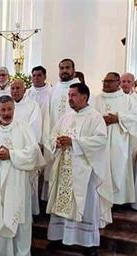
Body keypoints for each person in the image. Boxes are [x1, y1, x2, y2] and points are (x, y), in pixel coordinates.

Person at [0, 95, 45, 256]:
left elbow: (34, 153)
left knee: (20, 216)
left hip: (17, 180)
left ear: (14, 109)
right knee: (0, 214)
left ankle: (22, 254)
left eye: (9, 109)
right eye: (3, 110)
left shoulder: (23, 128)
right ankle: (3, 253)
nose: (6, 113)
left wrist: (11, 155)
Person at [46, 83, 113, 256]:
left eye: (73, 95)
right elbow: (52, 135)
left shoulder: (95, 117)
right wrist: (57, 142)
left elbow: (100, 141)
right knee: (61, 201)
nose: (70, 98)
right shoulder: (65, 117)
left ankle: (88, 244)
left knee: (86, 205)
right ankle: (58, 237)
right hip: (64, 167)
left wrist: (74, 142)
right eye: (69, 95)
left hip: (84, 171)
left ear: (84, 97)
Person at [94, 73, 137, 207]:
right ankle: (100, 199)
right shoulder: (97, 99)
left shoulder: (127, 100)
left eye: (109, 81)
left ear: (117, 82)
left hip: (119, 140)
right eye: (104, 81)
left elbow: (135, 117)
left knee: (118, 167)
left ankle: (118, 201)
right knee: (101, 167)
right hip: (100, 139)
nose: (105, 84)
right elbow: (90, 115)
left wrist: (118, 118)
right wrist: (100, 120)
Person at [41, 59, 80, 202]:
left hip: (73, 142)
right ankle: (51, 202)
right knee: (53, 171)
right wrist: (49, 138)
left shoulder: (80, 89)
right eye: (61, 68)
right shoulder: (53, 90)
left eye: (67, 68)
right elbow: (47, 116)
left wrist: (72, 139)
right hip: (55, 141)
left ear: (73, 70)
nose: (64, 71)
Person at [10, 79, 43, 215]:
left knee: (25, 184)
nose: (15, 91)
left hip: (24, 151)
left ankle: (28, 213)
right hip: (9, 151)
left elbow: (34, 129)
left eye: (18, 88)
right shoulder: (7, 105)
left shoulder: (32, 106)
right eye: (12, 88)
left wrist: (23, 146)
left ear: (25, 90)